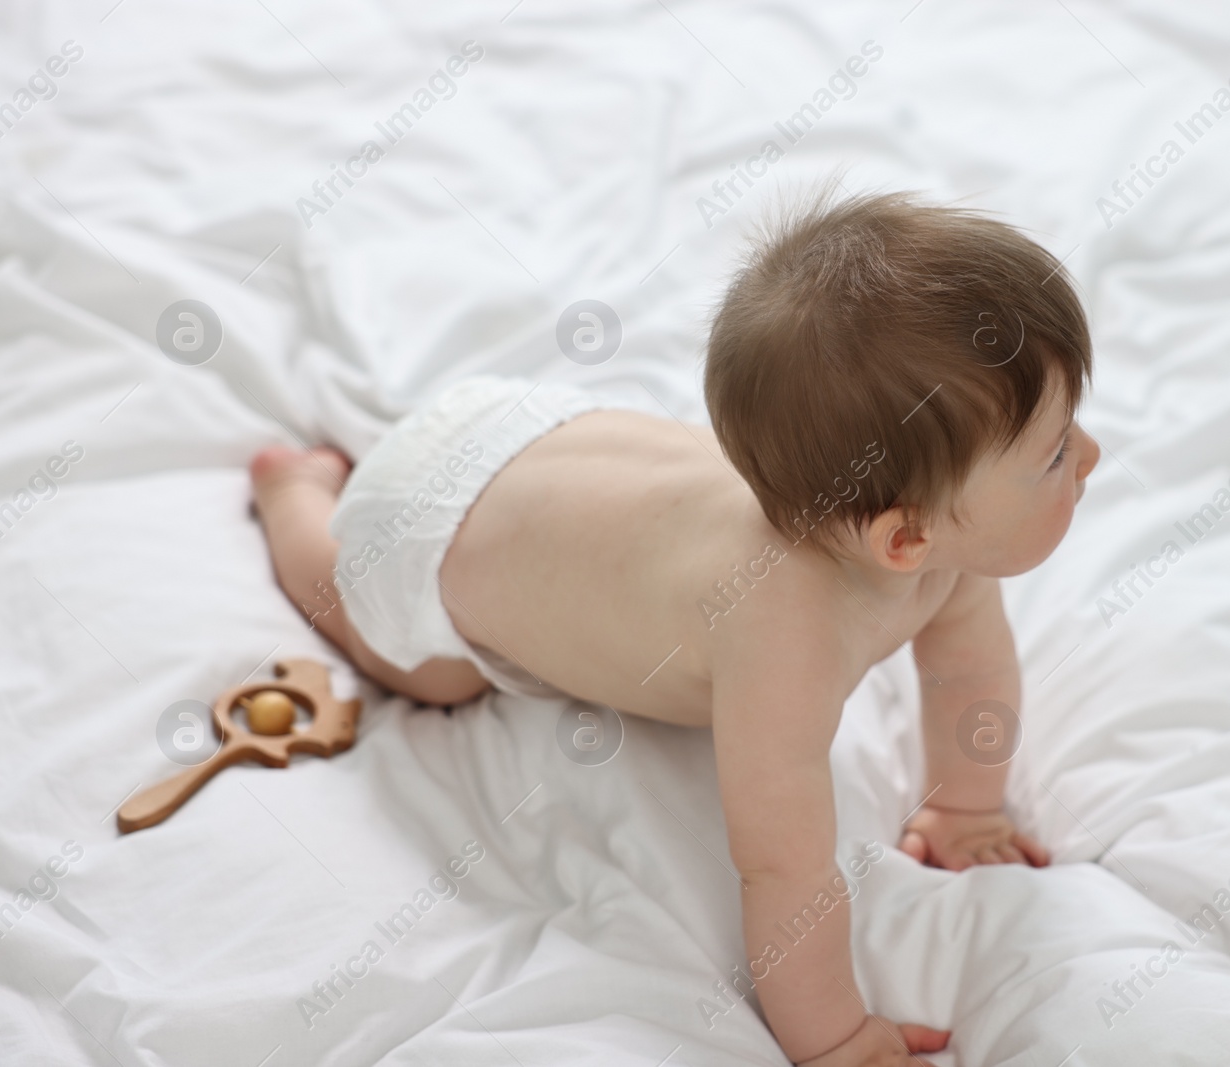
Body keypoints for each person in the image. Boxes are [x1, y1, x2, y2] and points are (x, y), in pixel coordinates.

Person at [250, 188, 1099, 1066]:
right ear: (904, 536)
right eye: (1055, 455)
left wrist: (965, 808)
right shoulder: (784, 631)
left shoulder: (927, 537)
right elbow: (786, 871)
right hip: (427, 536)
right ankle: (296, 499)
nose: (1092, 456)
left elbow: (968, 674)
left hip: (531, 430)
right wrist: (837, 1036)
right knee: (431, 675)